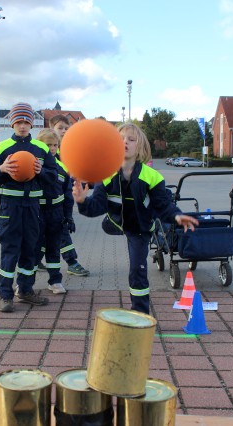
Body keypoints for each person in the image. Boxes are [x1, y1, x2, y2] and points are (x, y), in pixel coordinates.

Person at [72, 123, 199, 315]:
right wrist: (82, 201)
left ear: (140, 147)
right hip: (115, 222)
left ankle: (140, 314)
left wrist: (177, 215)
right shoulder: (105, 176)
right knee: (109, 223)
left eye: (131, 140)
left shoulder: (152, 176)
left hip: (140, 228)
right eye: (120, 139)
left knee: (137, 270)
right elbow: (96, 207)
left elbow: (163, 204)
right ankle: (115, 224)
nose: (125, 142)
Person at [0, 102, 57, 313]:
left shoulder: (42, 148)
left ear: (31, 123)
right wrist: (1, 169)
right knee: (10, 251)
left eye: (26, 121)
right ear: (12, 123)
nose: (23, 125)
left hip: (33, 208)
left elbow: (53, 179)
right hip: (11, 208)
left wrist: (41, 171)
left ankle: (25, 290)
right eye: (19, 121)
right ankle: (5, 295)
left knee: (31, 250)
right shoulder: (1, 148)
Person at [49, 114, 90, 277]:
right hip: (44, 202)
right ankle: (71, 262)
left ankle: (71, 262)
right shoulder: (47, 149)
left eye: (67, 128)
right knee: (50, 233)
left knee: (60, 229)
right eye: (60, 128)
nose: (64, 131)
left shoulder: (67, 150)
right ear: (51, 128)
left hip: (61, 198)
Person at [35, 129, 73, 294]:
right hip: (36, 213)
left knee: (54, 248)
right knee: (33, 250)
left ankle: (55, 281)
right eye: (47, 145)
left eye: (54, 145)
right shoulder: (32, 165)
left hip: (55, 213)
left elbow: (68, 194)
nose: (51, 148)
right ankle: (25, 283)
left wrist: (69, 217)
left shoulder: (63, 168)